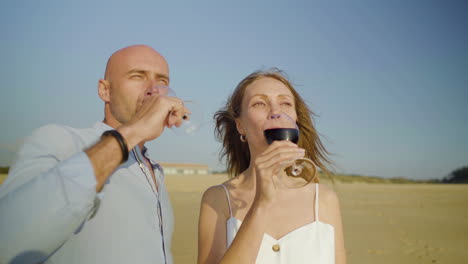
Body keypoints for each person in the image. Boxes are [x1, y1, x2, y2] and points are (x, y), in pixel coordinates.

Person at [0, 45, 186, 263]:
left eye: (162, 81)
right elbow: (8, 238)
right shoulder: (59, 140)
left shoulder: (154, 169)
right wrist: (131, 133)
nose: (153, 89)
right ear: (104, 90)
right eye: (137, 76)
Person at [198, 68, 346, 264]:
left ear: (295, 120)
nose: (276, 112)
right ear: (241, 125)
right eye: (260, 103)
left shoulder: (324, 199)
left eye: (285, 103)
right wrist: (261, 203)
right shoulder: (217, 199)